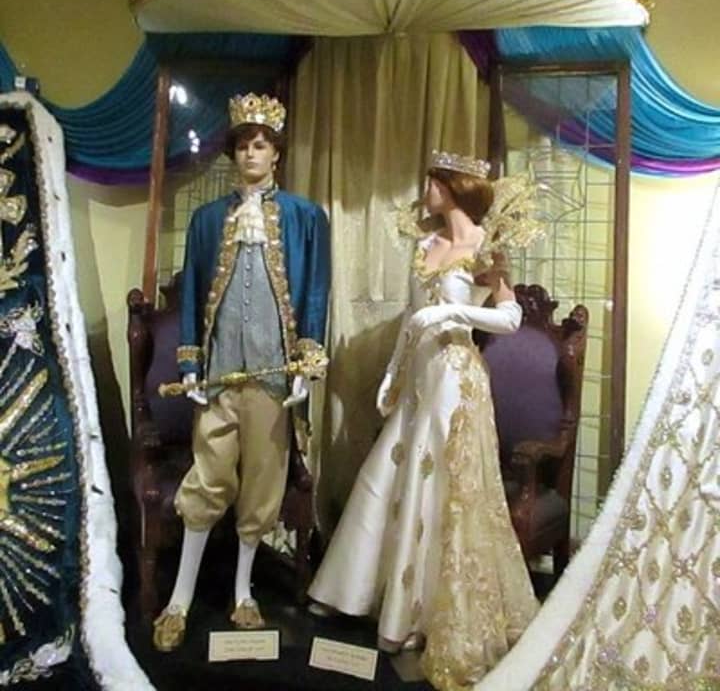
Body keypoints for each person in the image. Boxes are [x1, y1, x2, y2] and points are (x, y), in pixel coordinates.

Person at [307, 151, 538, 689]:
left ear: (452, 186)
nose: (425, 191)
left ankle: (418, 616)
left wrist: (455, 311)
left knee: (437, 484)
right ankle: (353, 591)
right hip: (419, 375)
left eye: (433, 182)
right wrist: (392, 373)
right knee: (388, 471)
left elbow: (510, 317)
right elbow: (413, 321)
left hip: (457, 378)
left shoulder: (486, 245)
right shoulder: (425, 245)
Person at [153, 93, 330, 652]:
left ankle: (242, 591)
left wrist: (305, 362)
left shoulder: (306, 217)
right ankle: (179, 599)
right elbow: (191, 294)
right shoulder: (208, 220)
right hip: (219, 374)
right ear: (233, 154)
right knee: (207, 479)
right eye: (243, 146)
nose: (251, 154)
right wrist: (191, 362)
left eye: (261, 145)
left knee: (262, 483)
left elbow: (316, 290)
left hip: (275, 377)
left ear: (276, 153)